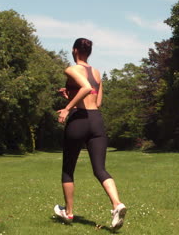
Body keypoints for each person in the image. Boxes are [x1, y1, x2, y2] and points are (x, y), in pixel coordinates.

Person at [54, 38, 126, 230]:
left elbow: (85, 88)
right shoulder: (96, 72)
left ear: (74, 50)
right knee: (100, 169)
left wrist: (67, 108)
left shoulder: (71, 69)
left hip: (79, 120)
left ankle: (68, 213)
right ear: (89, 52)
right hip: (96, 121)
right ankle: (117, 204)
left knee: (68, 169)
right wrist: (69, 96)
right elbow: (97, 101)